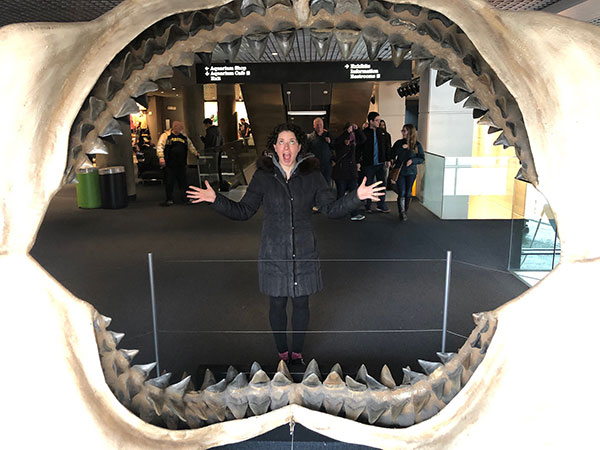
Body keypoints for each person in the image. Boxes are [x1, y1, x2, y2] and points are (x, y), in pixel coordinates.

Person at [186, 123, 384, 365]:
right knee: (277, 303)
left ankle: (297, 354)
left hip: (304, 250)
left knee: (301, 303)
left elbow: (330, 210)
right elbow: (244, 211)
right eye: (281, 141)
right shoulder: (263, 176)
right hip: (274, 251)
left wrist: (356, 197)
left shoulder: (312, 176)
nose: (286, 146)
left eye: (291, 141)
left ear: (300, 147)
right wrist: (216, 199)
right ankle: (282, 352)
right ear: (274, 147)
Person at [356, 111, 393, 213]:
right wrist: (358, 162)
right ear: (371, 121)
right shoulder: (364, 133)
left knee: (382, 184)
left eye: (379, 120)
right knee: (368, 185)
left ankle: (381, 205)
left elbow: (387, 147)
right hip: (368, 164)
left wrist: (388, 159)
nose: (379, 122)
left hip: (381, 163)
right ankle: (367, 205)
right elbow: (359, 149)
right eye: (376, 120)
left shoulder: (383, 133)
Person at [156, 121, 199, 206]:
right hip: (169, 164)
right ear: (174, 127)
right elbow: (160, 146)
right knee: (169, 182)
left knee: (183, 182)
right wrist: (161, 157)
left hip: (181, 164)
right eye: (180, 127)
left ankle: (185, 199)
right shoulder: (166, 136)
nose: (181, 129)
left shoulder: (183, 137)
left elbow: (190, 145)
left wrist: (195, 153)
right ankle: (169, 199)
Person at [333, 122, 366, 221]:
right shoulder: (340, 140)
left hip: (351, 171)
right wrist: (346, 133)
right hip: (341, 171)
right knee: (341, 193)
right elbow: (336, 143)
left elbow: (363, 139)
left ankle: (354, 213)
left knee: (354, 193)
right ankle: (338, 212)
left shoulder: (354, 143)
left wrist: (358, 129)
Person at [391, 123, 425, 221]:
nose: (402, 132)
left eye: (404, 131)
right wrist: (401, 148)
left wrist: (413, 161)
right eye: (402, 130)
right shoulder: (399, 143)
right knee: (401, 191)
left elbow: (422, 158)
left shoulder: (417, 145)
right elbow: (392, 153)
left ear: (410, 132)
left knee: (408, 192)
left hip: (411, 172)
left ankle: (405, 211)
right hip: (400, 171)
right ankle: (401, 212)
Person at [306, 117, 334, 186]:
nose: (319, 126)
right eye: (317, 125)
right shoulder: (310, 138)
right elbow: (306, 151)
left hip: (327, 166)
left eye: (320, 124)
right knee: (315, 185)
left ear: (323, 125)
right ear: (314, 126)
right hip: (315, 167)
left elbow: (335, 147)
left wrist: (330, 142)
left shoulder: (328, 135)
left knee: (326, 185)